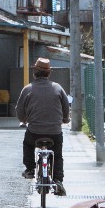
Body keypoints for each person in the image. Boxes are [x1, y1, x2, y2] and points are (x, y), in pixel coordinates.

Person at [15, 56, 70, 195]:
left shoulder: (27, 89)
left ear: (34, 72)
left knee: (28, 144)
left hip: (35, 132)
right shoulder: (58, 88)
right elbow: (66, 108)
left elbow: (20, 111)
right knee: (57, 155)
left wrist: (23, 119)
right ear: (49, 73)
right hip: (55, 132)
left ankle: (30, 169)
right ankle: (58, 180)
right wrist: (65, 119)